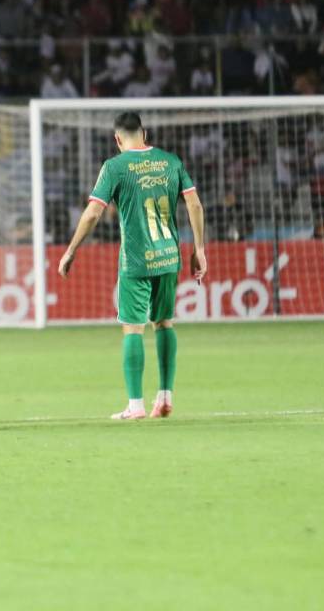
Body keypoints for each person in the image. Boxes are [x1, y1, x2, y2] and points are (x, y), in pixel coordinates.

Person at [58, 112, 206, 420]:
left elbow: (92, 214)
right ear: (145, 132)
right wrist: (200, 250)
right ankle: (165, 397)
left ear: (117, 139)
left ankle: (136, 405)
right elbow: (193, 203)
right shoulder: (170, 161)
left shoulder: (114, 167)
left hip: (136, 260)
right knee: (164, 322)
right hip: (169, 256)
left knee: (133, 327)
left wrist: (71, 250)